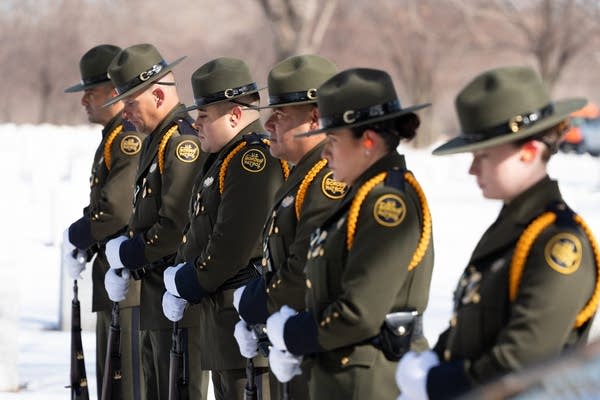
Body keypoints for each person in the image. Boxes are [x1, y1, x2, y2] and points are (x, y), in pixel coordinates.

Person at [395, 66, 600, 400]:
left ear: (529, 152)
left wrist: (436, 383)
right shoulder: (516, 227)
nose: (472, 169)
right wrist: (435, 358)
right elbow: (473, 325)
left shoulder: (558, 242)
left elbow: (523, 361)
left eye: (483, 156)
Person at [264, 68, 435, 400]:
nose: (325, 153)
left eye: (333, 141)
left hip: (367, 382)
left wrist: (294, 334)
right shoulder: (362, 195)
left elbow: (358, 313)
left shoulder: (388, 202)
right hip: (344, 376)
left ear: (368, 142)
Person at [161, 57, 286, 399]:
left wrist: (188, 281)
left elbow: (232, 244)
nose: (196, 123)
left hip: (243, 317)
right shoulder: (225, 157)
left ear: (234, 115)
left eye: (204, 116)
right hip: (224, 317)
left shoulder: (251, 161)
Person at [232, 54, 347, 400]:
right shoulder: (303, 174)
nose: (267, 125)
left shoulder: (328, 178)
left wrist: (255, 302)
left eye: (280, 115)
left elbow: (304, 268)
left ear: (315, 117)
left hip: (314, 346)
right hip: (290, 342)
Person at [102, 44, 208, 400]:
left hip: (177, 295)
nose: (124, 113)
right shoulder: (157, 140)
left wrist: (130, 253)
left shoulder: (180, 142)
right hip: (155, 292)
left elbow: (175, 225)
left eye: (130, 103)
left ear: (158, 95)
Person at [62, 44, 146, 400]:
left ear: (115, 92)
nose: (84, 102)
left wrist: (78, 236)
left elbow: (116, 209)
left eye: (90, 93)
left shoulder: (127, 135)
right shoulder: (115, 134)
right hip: (116, 277)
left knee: (124, 385)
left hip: (129, 284)